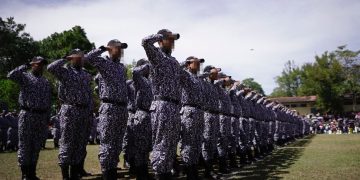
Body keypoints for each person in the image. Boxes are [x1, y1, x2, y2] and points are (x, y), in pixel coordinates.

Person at [142, 29, 182, 179]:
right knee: (161, 144)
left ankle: (166, 173)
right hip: (162, 105)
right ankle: (160, 174)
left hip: (174, 106)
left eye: (173, 40)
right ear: (160, 41)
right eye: (169, 39)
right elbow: (145, 42)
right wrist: (162, 35)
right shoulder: (157, 56)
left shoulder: (174, 61)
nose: (172, 42)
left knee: (171, 144)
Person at [86, 40, 129, 179]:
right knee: (108, 143)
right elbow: (88, 58)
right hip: (109, 107)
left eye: (121, 49)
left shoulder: (122, 68)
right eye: (118, 48)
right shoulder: (104, 63)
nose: (120, 51)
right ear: (111, 49)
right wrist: (103, 48)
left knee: (117, 143)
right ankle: (107, 173)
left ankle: (112, 170)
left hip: (122, 108)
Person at [48, 49, 93, 180]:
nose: (80, 59)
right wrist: (65, 58)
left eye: (82, 57)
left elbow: (89, 94)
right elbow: (51, 67)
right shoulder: (65, 72)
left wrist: (90, 111)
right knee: (67, 142)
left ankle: (74, 173)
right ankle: (65, 175)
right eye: (77, 57)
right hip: (70, 110)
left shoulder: (86, 75)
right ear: (72, 58)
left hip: (84, 111)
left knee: (79, 143)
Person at [8, 56, 51, 180]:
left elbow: (48, 101)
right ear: (33, 64)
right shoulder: (25, 76)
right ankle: (25, 174)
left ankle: (32, 173)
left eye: (42, 64)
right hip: (27, 114)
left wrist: (47, 118)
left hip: (41, 116)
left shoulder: (45, 81)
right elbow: (11, 75)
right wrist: (26, 65)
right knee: (25, 145)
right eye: (38, 64)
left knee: (36, 146)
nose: (40, 66)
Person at [179, 56, 205, 179]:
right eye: (196, 62)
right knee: (188, 143)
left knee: (196, 142)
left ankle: (194, 169)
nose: (198, 64)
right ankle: (188, 171)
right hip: (189, 110)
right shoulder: (185, 74)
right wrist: (186, 62)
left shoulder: (198, 79)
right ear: (189, 64)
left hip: (199, 111)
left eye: (199, 63)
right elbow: (176, 69)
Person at [130, 59, 153, 179]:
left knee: (147, 147)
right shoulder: (139, 79)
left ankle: (145, 172)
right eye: (146, 67)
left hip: (150, 116)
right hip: (141, 114)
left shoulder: (150, 81)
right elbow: (134, 72)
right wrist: (145, 66)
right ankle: (140, 174)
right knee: (140, 147)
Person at [200, 65, 221, 179]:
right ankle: (207, 171)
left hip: (215, 115)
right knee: (207, 143)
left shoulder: (215, 85)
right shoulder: (203, 82)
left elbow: (223, 79)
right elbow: (199, 76)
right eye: (214, 72)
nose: (216, 73)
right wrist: (209, 72)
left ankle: (210, 169)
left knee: (212, 143)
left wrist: (217, 72)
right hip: (207, 114)